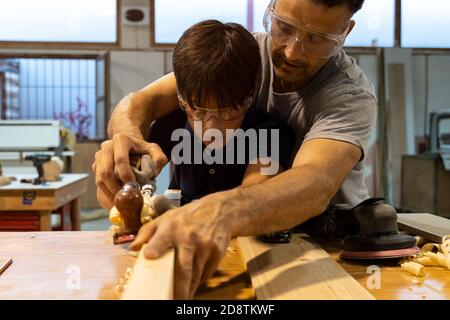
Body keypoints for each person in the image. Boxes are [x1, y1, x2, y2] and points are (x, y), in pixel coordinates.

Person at [92, 0, 377, 299]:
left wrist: (218, 210)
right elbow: (140, 102)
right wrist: (126, 149)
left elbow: (316, 182)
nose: (293, 51)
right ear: (271, 9)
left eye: (317, 38)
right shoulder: (243, 55)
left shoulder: (350, 95)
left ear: (345, 31)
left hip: (325, 247)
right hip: (252, 244)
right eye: (285, 28)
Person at [147, 20, 294, 205]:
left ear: (252, 92)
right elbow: (126, 179)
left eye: (227, 111)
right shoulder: (174, 124)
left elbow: (252, 199)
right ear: (181, 96)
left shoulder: (269, 134)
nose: (210, 128)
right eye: (198, 110)